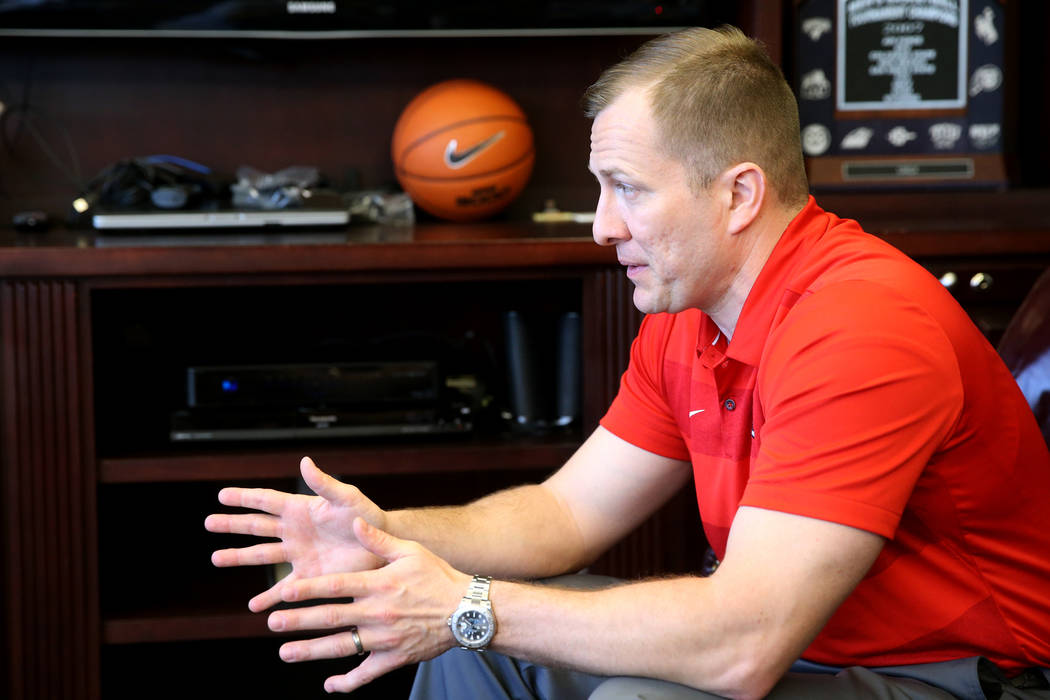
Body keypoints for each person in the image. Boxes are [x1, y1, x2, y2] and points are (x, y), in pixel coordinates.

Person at [205, 26, 1050, 700]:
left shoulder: (861, 327)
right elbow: (561, 517)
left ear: (740, 195)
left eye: (628, 188)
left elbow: (742, 647)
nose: (602, 225)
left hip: (966, 676)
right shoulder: (689, 314)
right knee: (474, 659)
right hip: (812, 655)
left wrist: (465, 605)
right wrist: (385, 534)